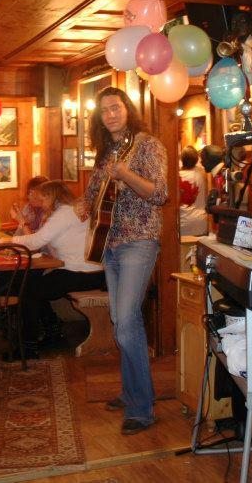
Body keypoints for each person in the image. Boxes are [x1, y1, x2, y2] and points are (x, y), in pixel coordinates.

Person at [75, 86, 167, 436]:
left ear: (127, 109)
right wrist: (85, 207)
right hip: (109, 244)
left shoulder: (147, 145)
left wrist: (125, 174)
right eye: (104, 111)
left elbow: (159, 193)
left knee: (127, 323)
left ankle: (141, 409)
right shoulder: (107, 151)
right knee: (120, 322)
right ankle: (131, 393)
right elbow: (94, 193)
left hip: (139, 242)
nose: (110, 114)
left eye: (116, 107)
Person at [8, 180, 105, 357]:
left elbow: (37, 241)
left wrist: (8, 242)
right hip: (89, 272)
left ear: (50, 197)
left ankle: (28, 348)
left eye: (43, 198)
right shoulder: (68, 211)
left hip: (82, 273)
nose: (41, 203)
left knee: (27, 290)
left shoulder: (65, 213)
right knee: (31, 283)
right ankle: (53, 332)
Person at [178, 146, 208, 236]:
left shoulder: (177, 176)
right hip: (200, 222)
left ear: (182, 159)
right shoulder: (202, 173)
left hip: (183, 222)